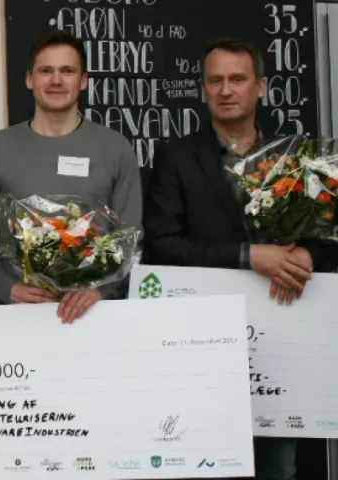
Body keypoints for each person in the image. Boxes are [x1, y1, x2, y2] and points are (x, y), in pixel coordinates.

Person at [142, 37, 338, 480]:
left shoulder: (297, 157)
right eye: (215, 81)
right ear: (203, 89)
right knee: (200, 463)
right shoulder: (176, 157)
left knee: (278, 466)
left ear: (261, 86)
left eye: (237, 79)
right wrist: (252, 255)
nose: (225, 90)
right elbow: (162, 246)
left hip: (284, 342)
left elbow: (330, 237)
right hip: (199, 341)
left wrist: (308, 250)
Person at [0, 30, 143, 323]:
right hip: (20, 317)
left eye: (67, 71)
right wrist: (7, 289)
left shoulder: (115, 148)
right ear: (29, 79)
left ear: (83, 81)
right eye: (46, 71)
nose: (56, 80)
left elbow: (131, 237)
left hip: (98, 316)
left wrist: (102, 291)